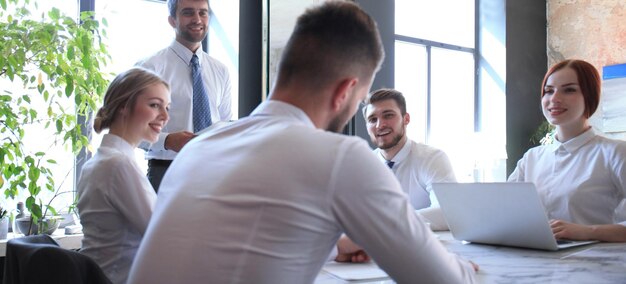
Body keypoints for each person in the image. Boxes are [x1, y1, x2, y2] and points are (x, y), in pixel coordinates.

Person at [127, 2, 477, 283]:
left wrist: (334, 246)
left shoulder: (200, 147)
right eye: (361, 102)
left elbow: (231, 241)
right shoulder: (342, 156)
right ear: (344, 92)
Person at [508, 59, 626, 242]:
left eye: (569, 89)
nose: (554, 99)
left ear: (589, 96)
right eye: (548, 91)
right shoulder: (532, 158)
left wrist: (588, 232)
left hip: (598, 263)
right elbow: (503, 209)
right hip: (536, 261)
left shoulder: (615, 153)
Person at [77, 67, 170, 284]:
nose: (165, 116)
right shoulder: (119, 165)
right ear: (123, 107)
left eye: (167, 107)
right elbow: (161, 235)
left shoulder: (99, 162)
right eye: (155, 105)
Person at [137, 0, 232, 192]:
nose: (197, 19)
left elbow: (225, 124)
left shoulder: (221, 71)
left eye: (203, 13)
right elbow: (132, 131)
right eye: (188, 13)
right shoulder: (150, 68)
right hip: (167, 173)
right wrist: (167, 140)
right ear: (172, 20)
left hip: (213, 171)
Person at [363, 88, 456, 230]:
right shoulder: (363, 166)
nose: (380, 125)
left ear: (406, 119)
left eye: (388, 115)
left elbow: (447, 212)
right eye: (372, 119)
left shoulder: (432, 159)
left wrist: (393, 222)